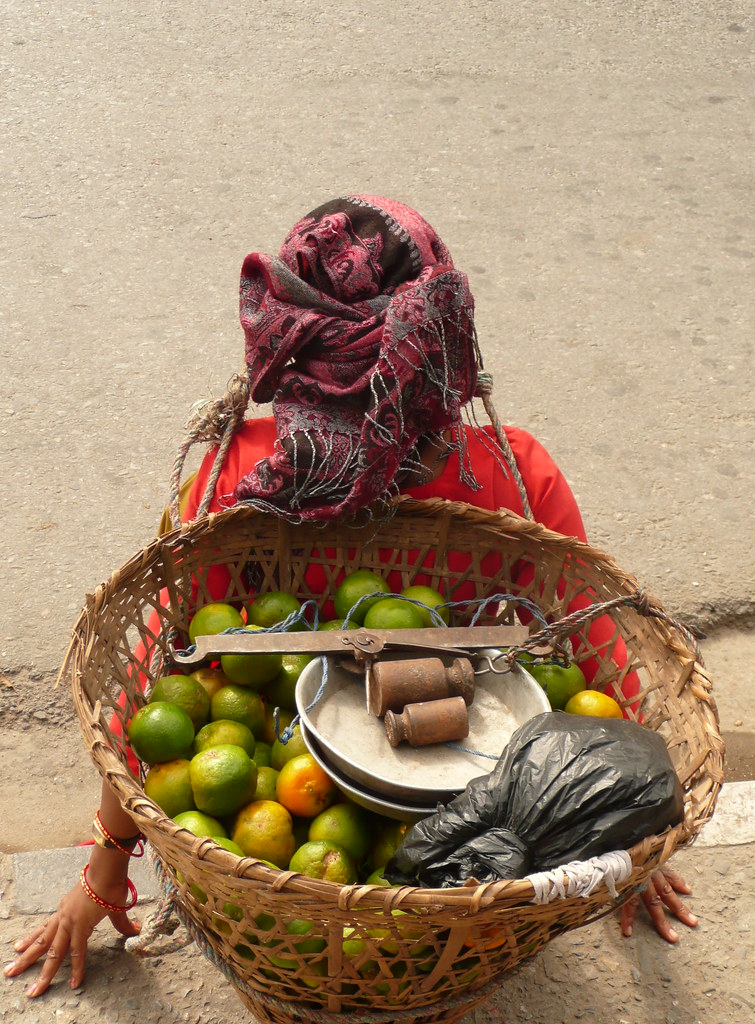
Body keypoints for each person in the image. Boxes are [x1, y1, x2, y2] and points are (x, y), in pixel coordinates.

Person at [4, 194, 697, 999]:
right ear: (441, 335)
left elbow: (155, 695)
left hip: (284, 883)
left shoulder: (244, 479)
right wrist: (609, 829)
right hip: (477, 892)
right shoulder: (506, 471)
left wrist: (102, 878)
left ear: (291, 328)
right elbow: (613, 678)